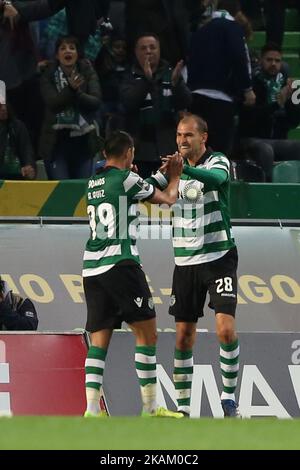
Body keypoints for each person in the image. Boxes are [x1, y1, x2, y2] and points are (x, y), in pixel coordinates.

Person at [82, 130, 184, 418]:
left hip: (92, 268)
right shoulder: (127, 179)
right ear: (129, 153)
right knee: (147, 334)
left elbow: (139, 189)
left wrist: (158, 175)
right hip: (121, 263)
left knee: (99, 338)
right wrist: (173, 177)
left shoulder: (93, 182)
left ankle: (91, 410)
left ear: (105, 154)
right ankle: (150, 408)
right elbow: (167, 199)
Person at [161, 114, 240, 418]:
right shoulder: (173, 169)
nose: (182, 141)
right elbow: (150, 189)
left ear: (203, 138)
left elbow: (219, 180)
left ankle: (228, 399)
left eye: (189, 135)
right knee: (183, 336)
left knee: (225, 330)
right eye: (179, 135)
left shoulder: (216, 161)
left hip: (219, 257)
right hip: (185, 262)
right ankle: (182, 408)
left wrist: (186, 170)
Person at [39, 35, 102, 179]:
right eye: (63, 48)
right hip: (56, 144)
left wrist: (77, 93)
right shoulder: (47, 75)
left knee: (84, 192)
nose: (68, 51)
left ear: (77, 53)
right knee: (62, 193)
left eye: (72, 48)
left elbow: (95, 102)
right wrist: (70, 90)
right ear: (57, 55)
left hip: (83, 144)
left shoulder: (87, 72)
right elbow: (53, 103)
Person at [0, 102, 36, 180]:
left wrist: (28, 165)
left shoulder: (18, 126)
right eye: (0, 106)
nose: (3, 109)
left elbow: (27, 150)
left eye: (5, 105)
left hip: (17, 174)